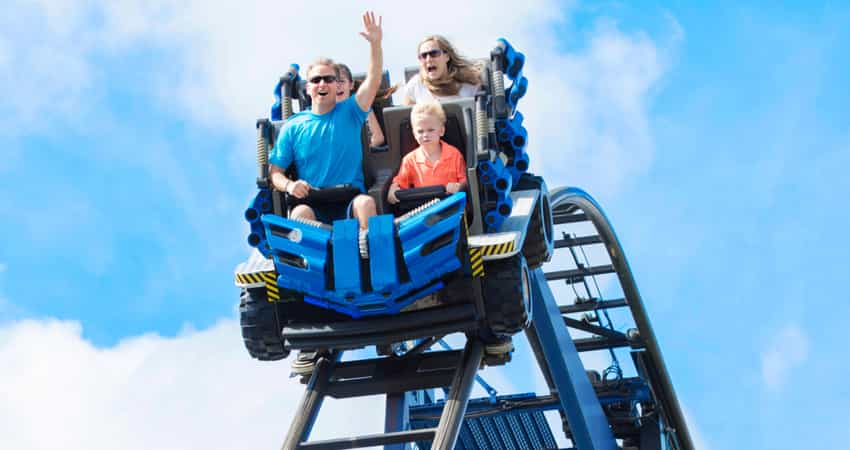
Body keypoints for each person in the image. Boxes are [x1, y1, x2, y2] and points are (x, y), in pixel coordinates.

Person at [268, 11, 383, 231]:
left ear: (336, 85)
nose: (323, 84)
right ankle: (323, 256)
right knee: (299, 214)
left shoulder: (351, 110)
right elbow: (276, 173)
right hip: (314, 202)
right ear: (308, 88)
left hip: (350, 197)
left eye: (329, 79)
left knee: (366, 203)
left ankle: (368, 254)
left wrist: (375, 44)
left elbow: (374, 79)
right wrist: (291, 186)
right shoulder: (293, 126)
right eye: (316, 80)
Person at [388, 101, 466, 204]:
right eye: (420, 131)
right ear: (414, 134)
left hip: (452, 207)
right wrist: (392, 191)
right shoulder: (409, 160)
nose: (425, 135)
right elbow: (399, 183)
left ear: (441, 131)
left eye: (430, 130)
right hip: (423, 210)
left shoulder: (454, 154)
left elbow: (465, 182)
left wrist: (458, 187)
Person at [402, 35, 481, 105]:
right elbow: (405, 118)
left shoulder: (469, 86)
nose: (428, 59)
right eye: (423, 56)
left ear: (447, 56)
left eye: (434, 53)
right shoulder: (415, 85)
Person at [336, 63, 386, 147]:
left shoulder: (362, 105)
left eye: (341, 81)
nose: (338, 86)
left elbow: (378, 138)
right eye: (333, 82)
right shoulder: (324, 112)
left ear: (351, 85)